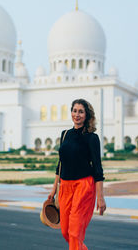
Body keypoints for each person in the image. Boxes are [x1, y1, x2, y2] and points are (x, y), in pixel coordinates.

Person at [48, 98, 106, 250]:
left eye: (81, 111)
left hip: (83, 186)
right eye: (75, 111)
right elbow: (60, 164)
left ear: (87, 115)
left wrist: (100, 198)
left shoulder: (92, 138)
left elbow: (98, 169)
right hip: (65, 187)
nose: (77, 114)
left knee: (75, 232)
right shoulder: (65, 134)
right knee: (65, 230)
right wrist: (54, 189)